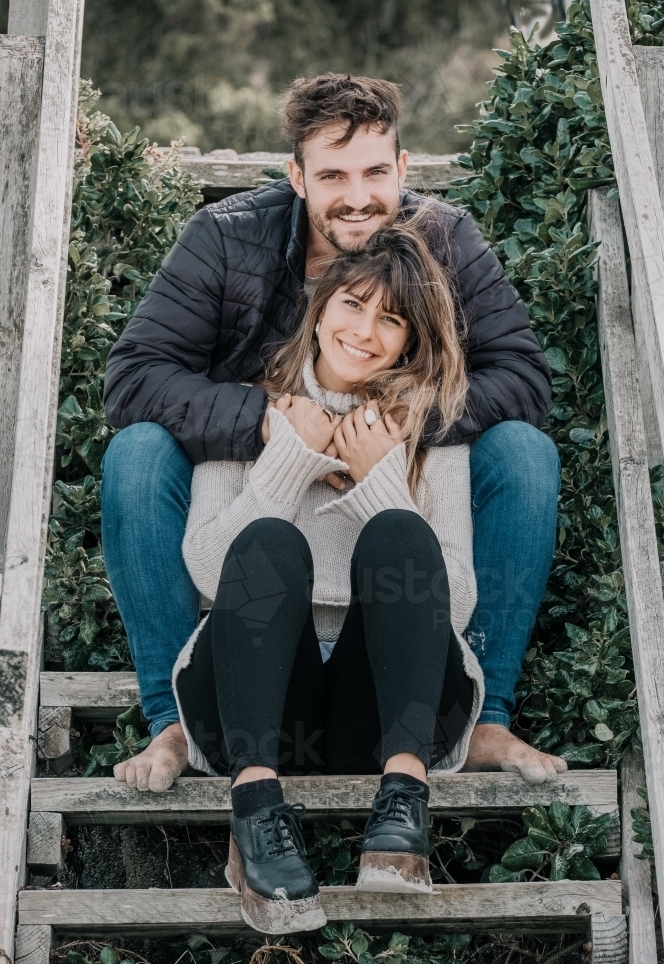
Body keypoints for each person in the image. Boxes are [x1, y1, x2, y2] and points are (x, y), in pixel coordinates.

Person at [104, 73, 565, 793]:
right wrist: (266, 423)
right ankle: (172, 720)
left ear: (403, 168)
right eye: (332, 175)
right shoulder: (225, 238)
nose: (358, 196)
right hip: (260, 492)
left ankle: (484, 714)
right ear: (296, 177)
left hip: (394, 499)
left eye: (376, 171)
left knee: (524, 453)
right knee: (135, 454)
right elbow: (133, 377)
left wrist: (405, 424)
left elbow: (523, 378)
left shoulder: (445, 239)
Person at [172, 217, 485, 934]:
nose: (365, 332)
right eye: (352, 305)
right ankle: (254, 815)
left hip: (379, 711)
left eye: (392, 320)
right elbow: (207, 570)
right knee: (272, 542)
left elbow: (455, 604)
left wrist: (383, 482)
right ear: (321, 309)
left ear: (412, 340)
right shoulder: (249, 411)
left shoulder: (433, 431)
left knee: (403, 531)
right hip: (253, 702)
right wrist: (287, 462)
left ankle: (402, 806)